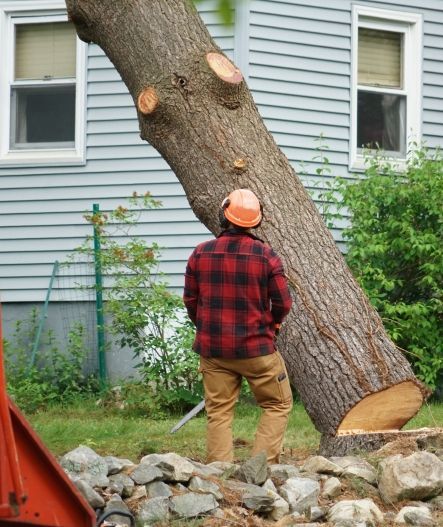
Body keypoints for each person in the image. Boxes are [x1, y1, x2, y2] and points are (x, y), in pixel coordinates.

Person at [183, 188, 293, 464]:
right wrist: (273, 325)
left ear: (224, 216)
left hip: (214, 351)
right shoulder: (266, 256)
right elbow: (283, 303)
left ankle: (219, 474)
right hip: (257, 350)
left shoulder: (200, 253)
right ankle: (261, 468)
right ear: (257, 221)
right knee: (277, 404)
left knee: (218, 411)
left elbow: (191, 301)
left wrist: (207, 328)